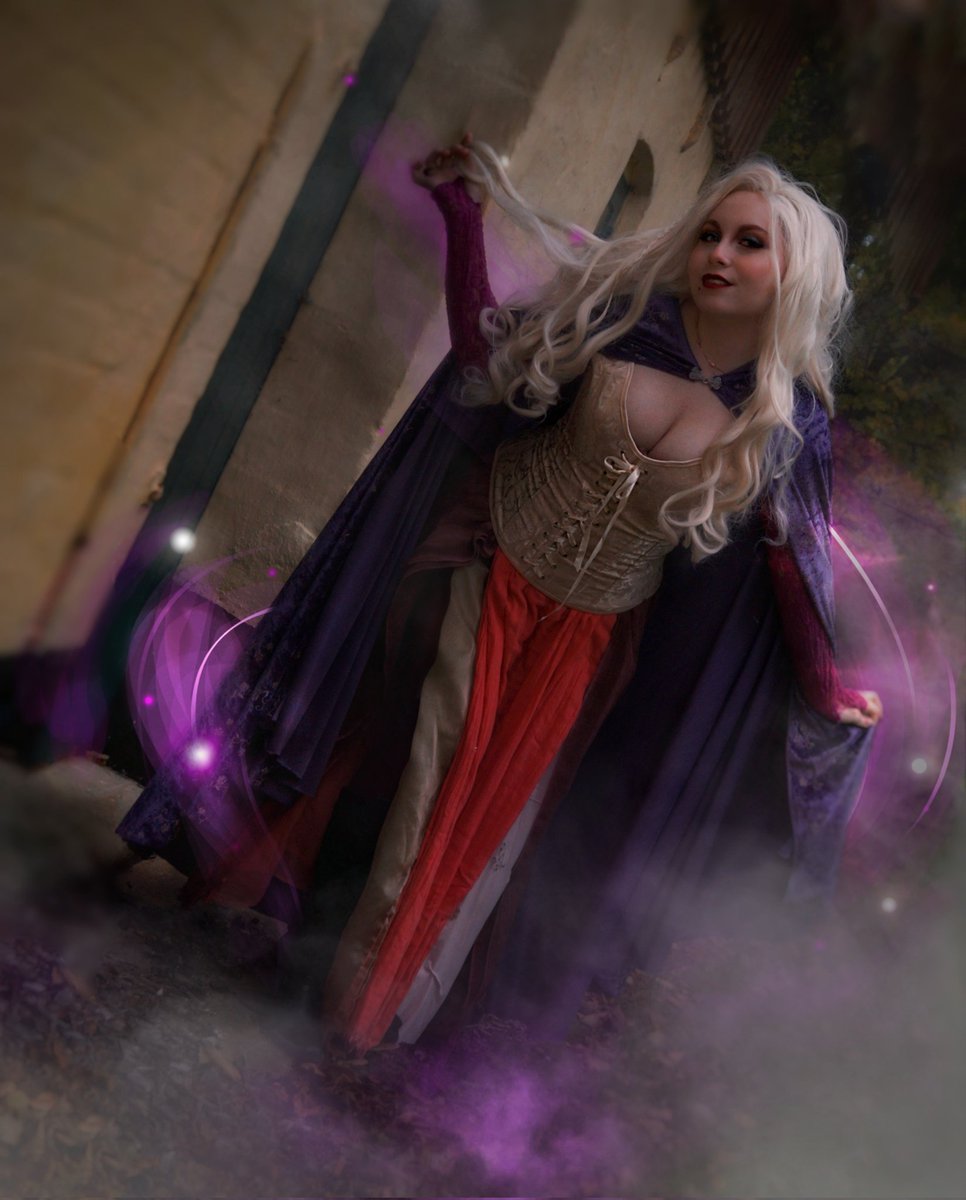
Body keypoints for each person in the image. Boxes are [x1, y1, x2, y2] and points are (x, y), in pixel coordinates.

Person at [117, 134, 881, 1051]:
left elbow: (791, 567)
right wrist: (462, 218)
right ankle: (327, 977)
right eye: (711, 234)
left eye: (750, 242)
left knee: (490, 822)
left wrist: (828, 689)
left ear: (796, 273)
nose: (718, 254)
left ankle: (377, 1001)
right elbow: (486, 357)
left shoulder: (786, 421)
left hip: (590, 640)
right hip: (485, 567)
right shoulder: (623, 319)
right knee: (418, 765)